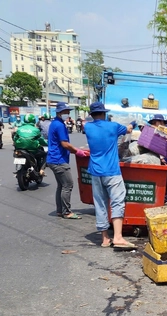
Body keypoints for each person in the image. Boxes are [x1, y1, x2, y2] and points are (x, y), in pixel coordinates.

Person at [83, 102, 135, 248]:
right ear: (104, 113)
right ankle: (118, 237)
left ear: (92, 115)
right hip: (111, 171)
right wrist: (132, 123)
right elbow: (129, 130)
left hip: (95, 171)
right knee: (118, 200)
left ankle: (105, 239)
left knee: (100, 203)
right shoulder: (113, 126)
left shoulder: (88, 127)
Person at [47, 103, 82, 219]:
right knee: (68, 185)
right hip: (58, 160)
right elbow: (65, 144)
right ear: (59, 112)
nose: (67, 113)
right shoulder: (59, 125)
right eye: (65, 111)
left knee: (61, 186)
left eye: (67, 111)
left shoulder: (55, 123)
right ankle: (66, 212)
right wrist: (77, 151)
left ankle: (59, 210)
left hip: (53, 159)